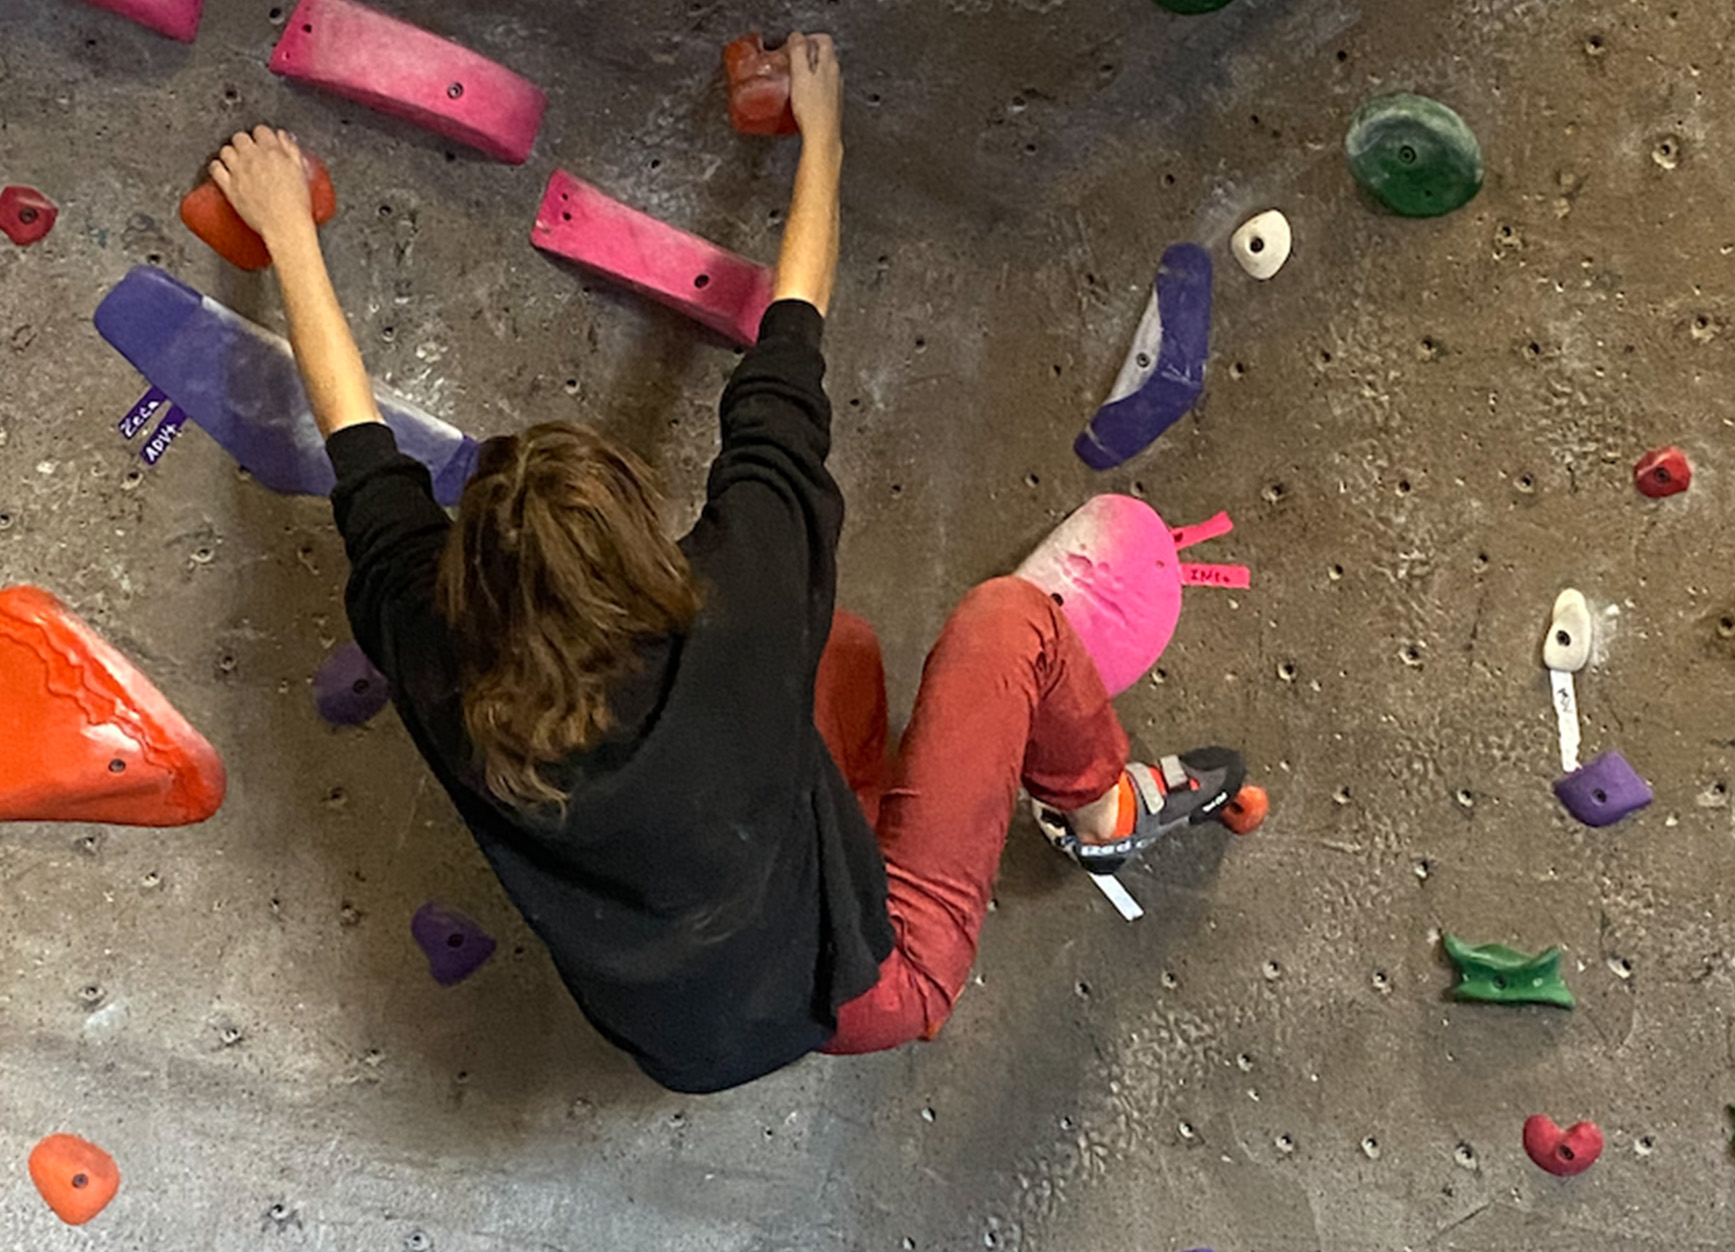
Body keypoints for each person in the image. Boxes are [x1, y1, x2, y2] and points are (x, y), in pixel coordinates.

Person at [209, 32, 1250, 1093]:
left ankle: (902, 806)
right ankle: (1100, 815)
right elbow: (790, 340)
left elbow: (358, 450)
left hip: (682, 1043)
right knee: (1007, 620)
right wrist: (826, 135)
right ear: (639, 543)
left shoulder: (435, 657)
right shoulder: (740, 597)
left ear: (466, 581)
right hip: (870, 979)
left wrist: (286, 232)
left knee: (837, 645)